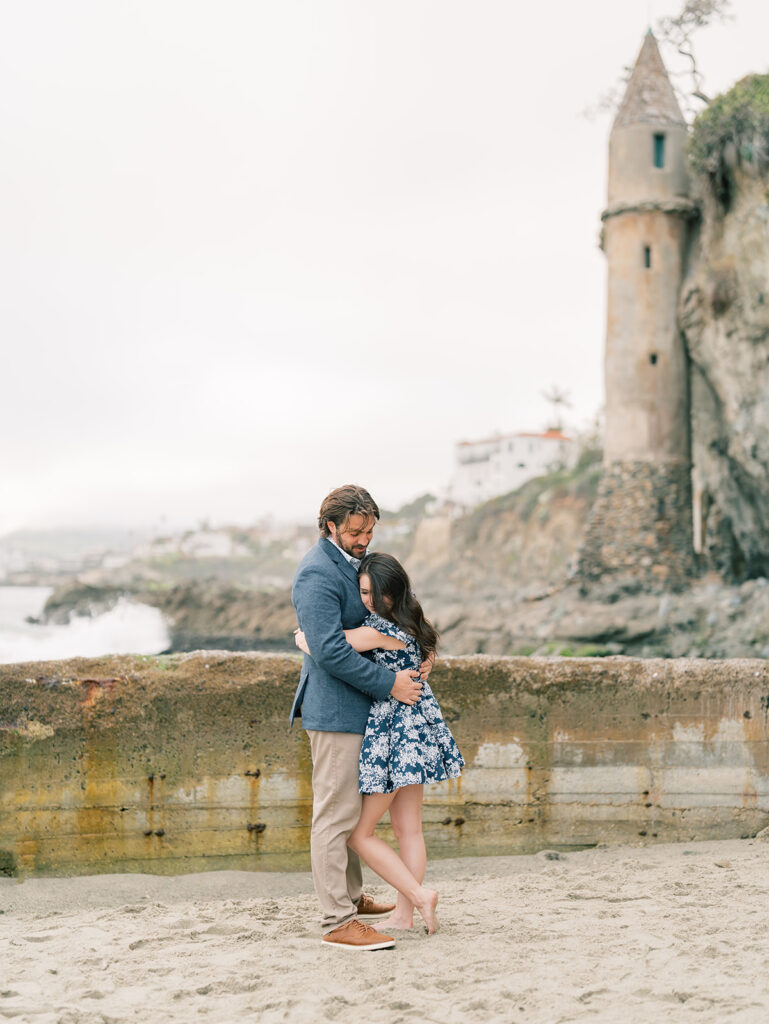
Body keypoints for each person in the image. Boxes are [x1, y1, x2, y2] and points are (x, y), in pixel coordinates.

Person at [290, 484, 429, 952]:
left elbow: (386, 621)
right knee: (334, 817)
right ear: (330, 526)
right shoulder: (316, 573)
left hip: (359, 711)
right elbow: (329, 649)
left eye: (370, 529)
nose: (365, 537)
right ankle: (337, 919)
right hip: (334, 712)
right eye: (355, 530)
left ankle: (350, 897)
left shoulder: (348, 565)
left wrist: (421, 655)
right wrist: (390, 684)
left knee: (347, 812)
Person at [295, 550, 464, 936]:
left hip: (394, 733)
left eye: (376, 593)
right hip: (417, 729)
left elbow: (328, 646)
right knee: (410, 829)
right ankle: (404, 915)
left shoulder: (379, 630)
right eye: (364, 591)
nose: (368, 600)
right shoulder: (413, 624)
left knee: (359, 833)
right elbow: (428, 646)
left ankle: (418, 895)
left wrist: (301, 636)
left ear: (395, 593)